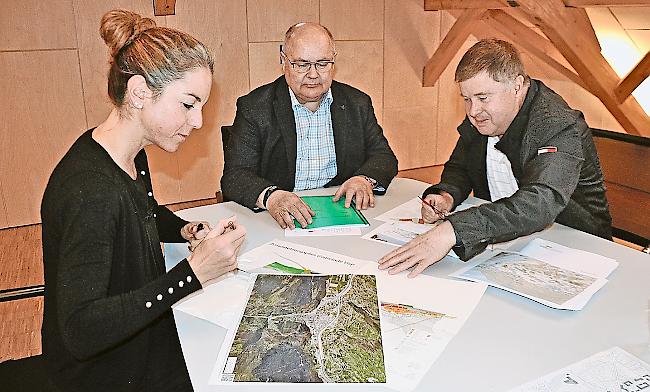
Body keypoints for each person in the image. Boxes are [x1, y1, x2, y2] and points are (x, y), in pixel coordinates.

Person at [40, 9, 246, 392]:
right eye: (188, 104)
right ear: (139, 93)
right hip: (109, 372)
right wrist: (192, 274)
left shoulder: (127, 155)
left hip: (138, 337)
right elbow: (81, 332)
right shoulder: (92, 191)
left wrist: (181, 228)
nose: (199, 121)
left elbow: (143, 211)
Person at [378, 39, 612, 278]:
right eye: (466, 99)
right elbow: (460, 167)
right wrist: (446, 195)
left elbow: (540, 201)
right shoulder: (486, 118)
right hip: (507, 241)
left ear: (517, 86)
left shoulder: (557, 125)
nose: (472, 111)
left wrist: (454, 230)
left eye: (482, 97)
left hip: (575, 248)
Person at [221, 22, 398, 229]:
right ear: (283, 61)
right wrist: (272, 196)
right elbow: (235, 176)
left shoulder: (357, 103)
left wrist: (363, 179)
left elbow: (383, 156)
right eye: (302, 64)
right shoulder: (255, 107)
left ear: (334, 62)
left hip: (341, 214)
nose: (313, 74)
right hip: (278, 220)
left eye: (322, 64)